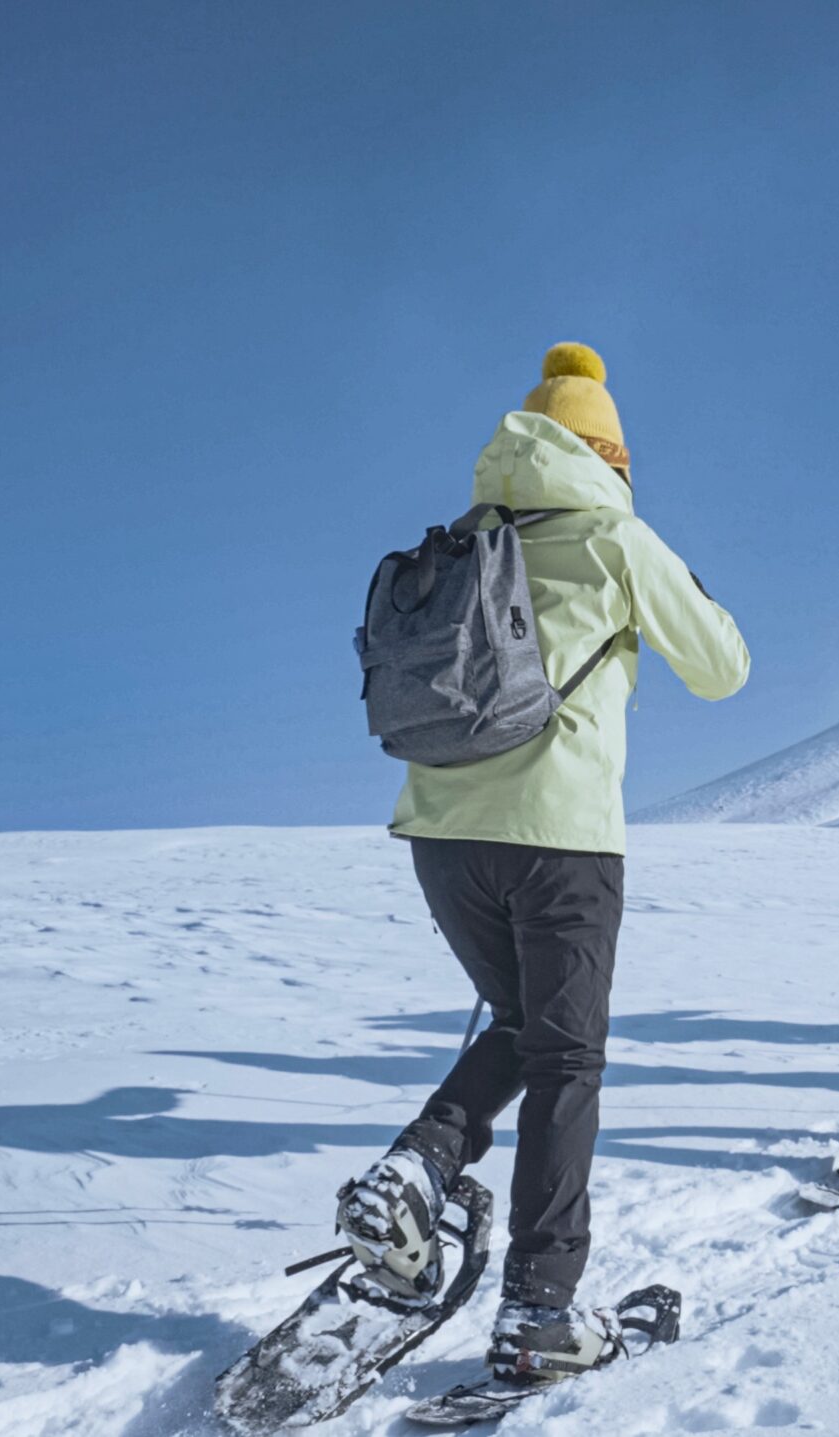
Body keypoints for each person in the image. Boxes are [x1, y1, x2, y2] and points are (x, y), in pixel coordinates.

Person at [340, 343, 749, 1387]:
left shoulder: (468, 538)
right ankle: (540, 1309)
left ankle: (419, 1164)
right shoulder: (616, 535)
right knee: (567, 1059)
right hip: (561, 838)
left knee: (523, 1031)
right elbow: (723, 670)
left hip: (439, 835)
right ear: (607, 454)